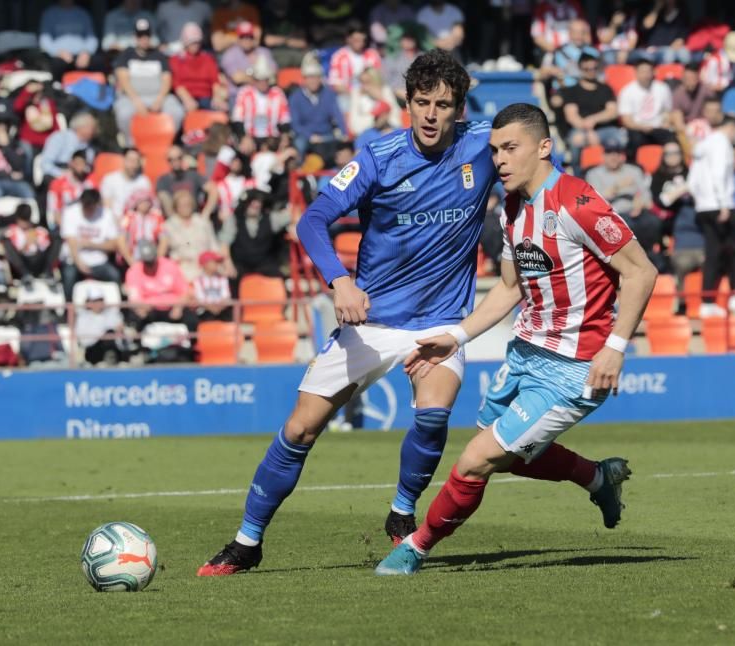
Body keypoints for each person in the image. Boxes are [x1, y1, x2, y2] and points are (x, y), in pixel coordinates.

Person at [198, 51, 604, 577]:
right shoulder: (377, 157)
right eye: (422, 103)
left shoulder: (483, 144)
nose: (432, 114)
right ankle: (247, 542)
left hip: (439, 323)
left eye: (443, 105)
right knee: (299, 430)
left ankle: (401, 511)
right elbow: (313, 221)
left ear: (460, 109)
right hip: (371, 323)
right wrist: (340, 281)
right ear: (405, 103)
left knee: (434, 414)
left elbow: (537, 163)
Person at [374, 102, 657, 576]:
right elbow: (509, 288)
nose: (499, 159)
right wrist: (455, 337)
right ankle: (597, 477)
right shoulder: (510, 207)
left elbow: (641, 271)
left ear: (544, 147)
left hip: (574, 367)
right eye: (494, 150)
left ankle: (415, 547)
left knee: (476, 460)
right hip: (524, 354)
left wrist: (617, 346)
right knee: (506, 455)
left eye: (510, 148)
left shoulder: (577, 202)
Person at [688, 116, 735, 317]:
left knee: (713, 254)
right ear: (731, 127)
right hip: (721, 205)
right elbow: (720, 174)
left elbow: (692, 180)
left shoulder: (703, 146)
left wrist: (702, 201)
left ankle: (707, 302)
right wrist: (723, 204)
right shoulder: (722, 144)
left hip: (704, 206)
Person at [584, 141, 662, 267]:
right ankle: (633, 261)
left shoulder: (634, 171)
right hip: (611, 215)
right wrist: (616, 187)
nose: (613, 157)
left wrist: (640, 203)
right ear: (603, 156)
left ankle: (648, 258)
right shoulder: (594, 174)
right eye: (609, 153)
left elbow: (646, 196)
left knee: (653, 222)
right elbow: (594, 202)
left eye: (617, 153)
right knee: (626, 226)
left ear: (622, 156)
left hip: (636, 211)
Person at [113, 18, 185, 142]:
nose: (143, 39)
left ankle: (167, 142)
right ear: (135, 37)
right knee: (123, 114)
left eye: (146, 35)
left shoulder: (159, 55)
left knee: (177, 112)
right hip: (132, 97)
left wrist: (160, 99)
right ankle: (131, 145)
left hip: (157, 97)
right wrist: (136, 101)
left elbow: (166, 79)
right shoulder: (126, 54)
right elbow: (123, 80)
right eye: (140, 35)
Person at [651, 143, 702, 287]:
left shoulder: (691, 173)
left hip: (691, 216)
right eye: (668, 153)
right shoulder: (658, 176)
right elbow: (661, 201)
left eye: (676, 152)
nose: (672, 156)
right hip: (668, 219)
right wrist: (681, 191)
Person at [560, 53, 622, 167]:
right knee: (576, 140)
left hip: (605, 130)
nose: (590, 71)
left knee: (620, 138)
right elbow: (572, 116)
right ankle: (577, 177)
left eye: (594, 68)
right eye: (586, 68)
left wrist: (593, 119)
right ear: (580, 69)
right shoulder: (572, 91)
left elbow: (612, 112)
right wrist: (588, 131)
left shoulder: (605, 89)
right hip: (580, 130)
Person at [60, 189, 122, 301]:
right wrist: (79, 262)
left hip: (99, 261)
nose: (88, 210)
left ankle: (117, 311)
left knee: (115, 276)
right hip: (74, 260)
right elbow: (71, 241)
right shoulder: (70, 212)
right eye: (85, 207)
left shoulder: (106, 214)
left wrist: (91, 245)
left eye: (91, 207)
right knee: (69, 277)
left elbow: (113, 245)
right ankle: (68, 311)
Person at [124, 239, 195, 332]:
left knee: (191, 319)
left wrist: (178, 307)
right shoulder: (134, 271)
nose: (150, 265)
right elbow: (134, 297)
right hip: (150, 309)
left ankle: (190, 344)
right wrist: (141, 308)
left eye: (152, 261)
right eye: (147, 262)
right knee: (135, 318)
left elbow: (184, 291)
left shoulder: (170, 265)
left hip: (172, 307)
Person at [287, 54, 347, 161]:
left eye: (316, 77)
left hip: (326, 134)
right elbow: (295, 124)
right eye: (310, 77)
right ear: (304, 79)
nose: (313, 81)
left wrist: (344, 132)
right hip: (306, 136)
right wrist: (310, 136)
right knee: (299, 144)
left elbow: (337, 115)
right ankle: (301, 171)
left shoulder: (328, 94)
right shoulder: (295, 97)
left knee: (342, 145)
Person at [162, 189, 230, 281]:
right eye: (182, 205)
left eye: (188, 204)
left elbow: (214, 246)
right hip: (182, 268)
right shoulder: (168, 226)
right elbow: (163, 252)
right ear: (176, 207)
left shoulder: (203, 222)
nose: (185, 207)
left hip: (206, 267)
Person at [224, 189, 288, 277]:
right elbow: (224, 244)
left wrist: (294, 225)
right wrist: (228, 265)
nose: (255, 204)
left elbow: (294, 215)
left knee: (278, 276)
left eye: (258, 202)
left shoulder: (271, 218)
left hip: (265, 266)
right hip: (241, 266)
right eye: (251, 202)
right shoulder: (234, 220)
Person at [617, 58, 674, 155]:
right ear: (636, 73)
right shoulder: (627, 91)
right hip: (637, 128)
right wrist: (641, 127)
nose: (646, 75)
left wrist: (666, 122)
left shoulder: (663, 88)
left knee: (672, 142)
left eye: (648, 71)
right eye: (642, 71)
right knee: (634, 141)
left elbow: (668, 111)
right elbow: (626, 120)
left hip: (658, 127)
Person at [230, 58, 291, 143]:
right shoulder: (244, 93)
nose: (263, 83)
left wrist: (285, 137)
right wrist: (243, 138)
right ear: (254, 80)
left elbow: (285, 119)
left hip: (272, 139)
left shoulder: (277, 93)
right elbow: (237, 119)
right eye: (259, 79)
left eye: (265, 79)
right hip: (250, 138)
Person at [169, 23, 226, 113]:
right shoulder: (176, 59)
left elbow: (215, 81)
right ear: (185, 42)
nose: (195, 45)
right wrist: (187, 100)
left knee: (221, 109)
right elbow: (177, 84)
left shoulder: (208, 59)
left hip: (206, 98)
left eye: (197, 42)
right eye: (192, 42)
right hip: (184, 99)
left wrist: (217, 98)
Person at [39, 0, 101, 79]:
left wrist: (86, 52)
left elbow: (91, 37)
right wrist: (58, 52)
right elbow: (44, 39)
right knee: (56, 65)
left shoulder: (83, 13)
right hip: (60, 56)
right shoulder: (49, 14)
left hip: (82, 54)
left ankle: (98, 89)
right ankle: (57, 88)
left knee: (99, 62)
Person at [1, 204, 61, 282]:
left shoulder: (38, 229)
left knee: (57, 239)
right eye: (22, 220)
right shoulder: (11, 231)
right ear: (17, 219)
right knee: (7, 243)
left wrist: (36, 242)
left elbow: (46, 250)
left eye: (26, 220)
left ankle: (47, 273)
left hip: (39, 262)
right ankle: (25, 275)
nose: (24, 224)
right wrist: (26, 244)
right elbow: (12, 253)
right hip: (23, 264)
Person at [220, 21, 276, 100]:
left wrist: (248, 76)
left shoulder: (264, 52)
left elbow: (272, 75)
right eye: (243, 37)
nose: (246, 40)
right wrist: (260, 78)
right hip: (238, 97)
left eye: (249, 37)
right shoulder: (230, 55)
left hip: (264, 95)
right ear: (238, 38)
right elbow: (238, 78)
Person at [74, 283, 126, 365]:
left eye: (100, 300)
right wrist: (101, 334)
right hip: (93, 349)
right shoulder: (83, 317)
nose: (98, 303)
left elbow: (120, 332)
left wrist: (119, 329)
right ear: (89, 302)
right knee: (108, 334)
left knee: (110, 334)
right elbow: (83, 340)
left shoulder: (113, 313)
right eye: (95, 300)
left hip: (113, 348)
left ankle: (111, 360)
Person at [39, 112, 97, 182]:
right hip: (56, 177)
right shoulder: (59, 137)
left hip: (78, 180)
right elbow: (45, 164)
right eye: (91, 128)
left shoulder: (89, 147)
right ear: (80, 127)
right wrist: (62, 174)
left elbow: (88, 167)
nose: (95, 131)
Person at [117, 189, 166, 267]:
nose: (144, 204)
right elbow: (121, 240)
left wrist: (158, 258)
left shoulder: (157, 216)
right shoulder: (128, 217)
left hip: (152, 251)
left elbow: (164, 239)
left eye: (146, 201)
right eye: (141, 202)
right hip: (133, 252)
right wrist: (130, 259)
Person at [156, 145, 206, 217]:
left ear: (182, 158)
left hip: (194, 218)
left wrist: (206, 213)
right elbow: (165, 201)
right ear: (168, 161)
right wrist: (178, 222)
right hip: (175, 220)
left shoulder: (193, 176)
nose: (175, 161)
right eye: (171, 159)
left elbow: (213, 190)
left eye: (178, 158)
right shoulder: (163, 180)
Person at [47, 151, 94, 227]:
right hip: (65, 225)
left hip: (87, 225)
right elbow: (55, 212)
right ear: (71, 163)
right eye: (77, 164)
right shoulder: (57, 184)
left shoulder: (91, 181)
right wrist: (69, 229)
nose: (80, 167)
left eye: (83, 164)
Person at [100, 148, 151, 215]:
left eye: (136, 161)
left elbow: (146, 206)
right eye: (130, 160)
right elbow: (106, 205)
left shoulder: (144, 181)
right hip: (113, 221)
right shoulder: (109, 179)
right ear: (124, 160)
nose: (133, 164)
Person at [12, 81, 59, 152]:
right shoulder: (26, 105)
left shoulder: (47, 104)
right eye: (34, 94)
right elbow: (17, 107)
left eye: (38, 93)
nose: (36, 96)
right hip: (28, 142)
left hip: (46, 143)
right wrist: (27, 91)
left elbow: (54, 124)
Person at [193, 250, 232, 321]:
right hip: (205, 310)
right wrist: (212, 308)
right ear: (205, 264)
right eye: (215, 262)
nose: (217, 264)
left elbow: (226, 296)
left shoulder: (222, 279)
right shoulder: (198, 280)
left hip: (221, 310)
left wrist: (219, 308)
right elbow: (200, 298)